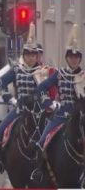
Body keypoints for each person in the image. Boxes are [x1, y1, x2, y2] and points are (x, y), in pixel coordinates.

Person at [30, 24, 84, 182]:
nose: (74, 60)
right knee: (42, 141)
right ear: (67, 58)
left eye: (77, 57)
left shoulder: (83, 75)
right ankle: (39, 171)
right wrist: (50, 104)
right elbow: (41, 88)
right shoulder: (59, 74)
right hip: (61, 115)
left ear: (79, 58)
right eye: (71, 57)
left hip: (80, 115)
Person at [0, 23, 46, 173]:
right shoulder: (17, 69)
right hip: (21, 108)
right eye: (28, 54)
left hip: (38, 110)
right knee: (2, 129)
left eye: (33, 55)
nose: (30, 58)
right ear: (24, 55)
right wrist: (10, 100)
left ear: (37, 56)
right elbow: (0, 83)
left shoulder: (43, 72)